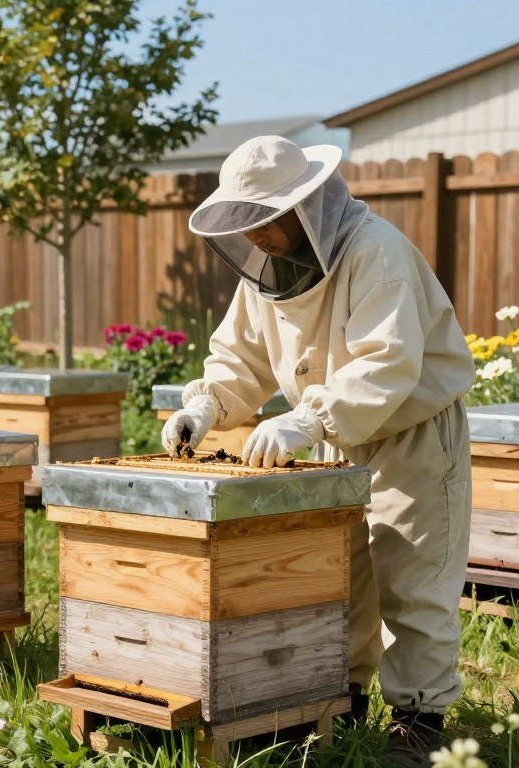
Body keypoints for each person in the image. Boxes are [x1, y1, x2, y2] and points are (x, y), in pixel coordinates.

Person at [160, 135, 475, 764]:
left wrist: (308, 419)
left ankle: (421, 719)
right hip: (333, 437)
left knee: (412, 580)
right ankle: (344, 698)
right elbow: (239, 358)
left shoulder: (376, 252)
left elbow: (387, 367)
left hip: (410, 435)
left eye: (264, 219)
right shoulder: (268, 273)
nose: (254, 236)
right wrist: (204, 406)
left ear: (304, 207)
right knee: (340, 579)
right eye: (244, 222)